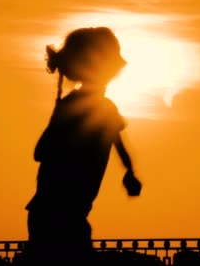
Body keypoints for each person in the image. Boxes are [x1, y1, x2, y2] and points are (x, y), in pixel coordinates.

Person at [24, 26, 142, 265]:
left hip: (58, 214)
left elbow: (118, 144)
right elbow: (41, 151)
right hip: (59, 216)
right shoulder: (88, 108)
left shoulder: (95, 107)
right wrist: (129, 173)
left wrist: (129, 171)